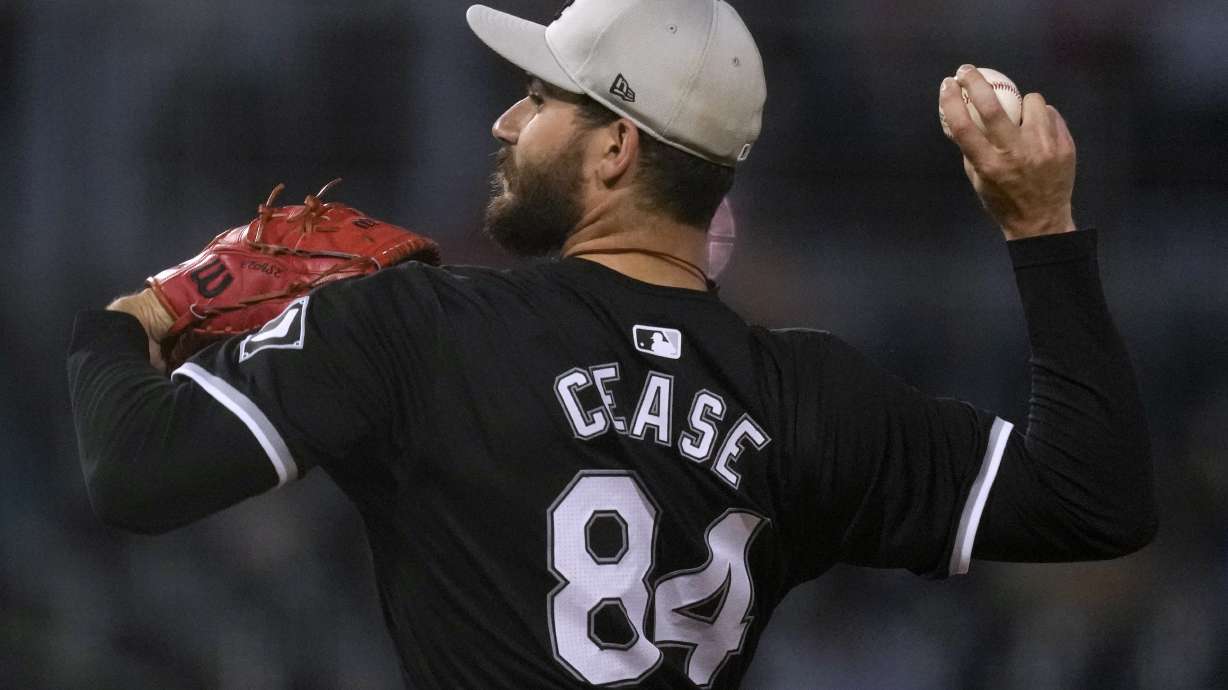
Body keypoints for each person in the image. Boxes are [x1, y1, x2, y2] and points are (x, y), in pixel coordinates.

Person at [68, 0, 1156, 687]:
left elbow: (134, 471)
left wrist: (136, 318)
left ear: (615, 148)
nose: (504, 122)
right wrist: (1038, 228)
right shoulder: (809, 396)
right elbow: (1096, 497)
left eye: (538, 98)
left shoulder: (414, 329)